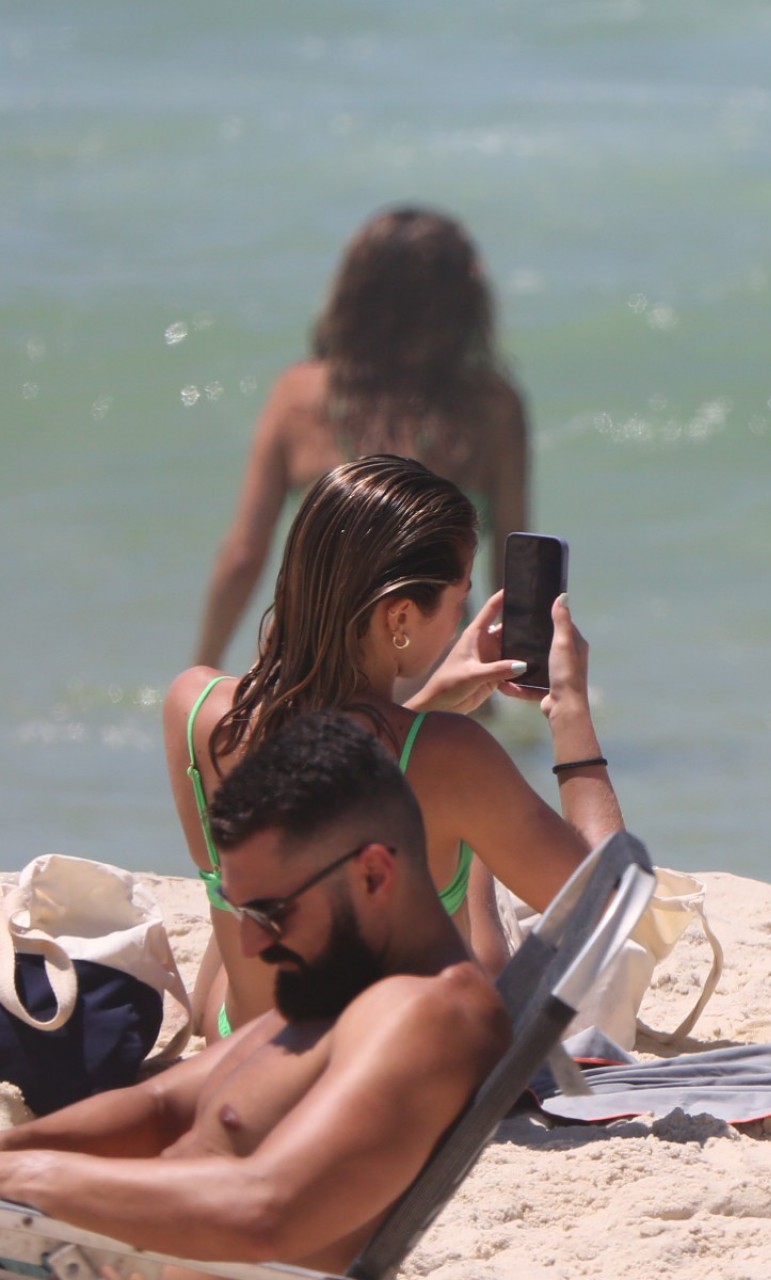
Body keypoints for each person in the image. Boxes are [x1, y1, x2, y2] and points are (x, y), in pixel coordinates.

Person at [0, 711, 512, 1271]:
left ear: (372, 875)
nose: (248, 945)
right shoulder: (349, 984)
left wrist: (27, 1177)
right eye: (242, 910)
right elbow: (162, 1107)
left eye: (270, 912)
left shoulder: (429, 1015)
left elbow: (266, 1214)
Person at [165, 454, 617, 1038]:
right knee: (465, 837)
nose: (461, 621)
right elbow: (608, 909)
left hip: (239, 1038)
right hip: (379, 1068)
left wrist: (422, 706)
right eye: (459, 601)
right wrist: (571, 711)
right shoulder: (450, 756)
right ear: (399, 615)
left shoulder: (195, 708)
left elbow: (334, 774)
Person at [193, 205, 528, 671]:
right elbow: (516, 567)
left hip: (305, 670)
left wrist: (202, 671)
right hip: (436, 670)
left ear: (356, 296)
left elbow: (243, 556)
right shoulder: (492, 407)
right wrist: (535, 685)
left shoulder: (299, 395)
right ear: (463, 304)